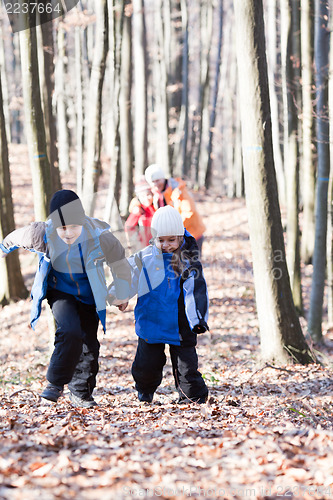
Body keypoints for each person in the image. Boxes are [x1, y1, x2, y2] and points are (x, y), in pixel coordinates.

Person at [0, 190, 130, 407]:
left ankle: (81, 392)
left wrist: (122, 292)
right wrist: (3, 248)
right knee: (69, 331)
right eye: (62, 228)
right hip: (60, 291)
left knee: (89, 344)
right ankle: (54, 383)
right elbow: (15, 237)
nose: (68, 233)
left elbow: (120, 262)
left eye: (73, 227)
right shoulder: (41, 233)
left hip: (90, 294)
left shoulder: (99, 236)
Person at [110, 205, 209, 404]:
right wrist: (119, 295)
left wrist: (197, 319)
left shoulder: (188, 261)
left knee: (186, 367)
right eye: (160, 240)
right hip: (151, 319)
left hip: (181, 323)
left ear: (181, 237)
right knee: (147, 364)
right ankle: (145, 392)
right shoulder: (145, 257)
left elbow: (196, 290)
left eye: (171, 240)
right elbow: (127, 275)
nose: (166, 245)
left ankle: (192, 398)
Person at [144, 164, 206, 255]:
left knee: (191, 266)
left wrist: (173, 231)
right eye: (152, 182)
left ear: (163, 178)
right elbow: (141, 200)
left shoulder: (178, 190)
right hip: (172, 240)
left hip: (191, 235)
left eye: (157, 180)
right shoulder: (155, 194)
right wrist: (135, 205)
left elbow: (189, 212)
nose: (155, 184)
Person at [124, 177, 155, 251]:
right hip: (144, 248)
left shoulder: (156, 207)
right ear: (138, 198)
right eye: (142, 196)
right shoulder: (138, 210)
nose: (146, 198)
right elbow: (128, 227)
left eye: (148, 195)